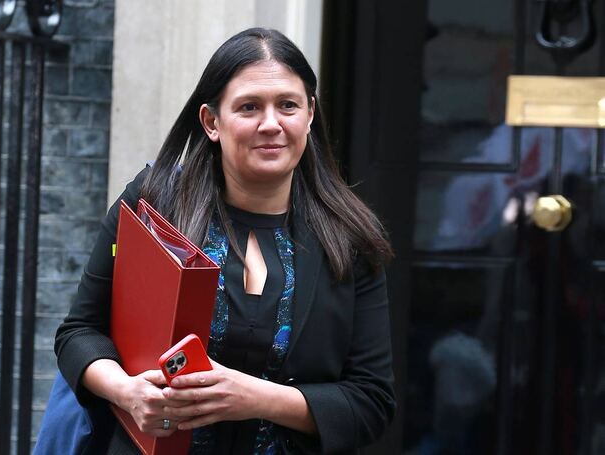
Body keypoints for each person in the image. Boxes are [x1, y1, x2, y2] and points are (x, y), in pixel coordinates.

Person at [55, 27, 395, 454]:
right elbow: (79, 332)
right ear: (212, 122)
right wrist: (127, 392)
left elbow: (372, 402)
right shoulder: (155, 205)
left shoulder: (350, 237)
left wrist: (255, 398)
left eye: (287, 105)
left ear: (309, 114)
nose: (270, 124)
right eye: (249, 107)